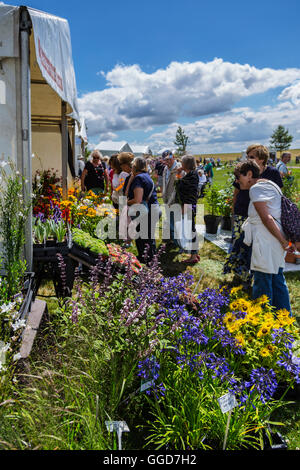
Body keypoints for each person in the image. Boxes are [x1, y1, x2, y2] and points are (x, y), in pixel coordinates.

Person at [234, 160, 295, 313]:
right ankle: (284, 320)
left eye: (238, 176)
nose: (236, 181)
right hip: (274, 240)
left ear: (249, 174)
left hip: (266, 241)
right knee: (277, 280)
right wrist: (282, 241)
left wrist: (283, 242)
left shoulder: (256, 189)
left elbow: (266, 217)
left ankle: (262, 321)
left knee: (262, 281)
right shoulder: (269, 184)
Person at [223, 144, 283, 288]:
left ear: (262, 159)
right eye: (247, 156)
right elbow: (236, 192)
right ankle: (241, 275)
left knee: (256, 248)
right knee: (240, 244)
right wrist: (234, 209)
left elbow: (278, 195)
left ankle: (256, 277)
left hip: (261, 216)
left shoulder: (272, 173)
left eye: (251, 157)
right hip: (243, 212)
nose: (248, 159)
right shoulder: (243, 172)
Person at [126, 157, 160, 263]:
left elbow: (137, 200)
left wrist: (127, 203)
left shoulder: (139, 179)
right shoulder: (146, 176)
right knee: (147, 238)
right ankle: (147, 260)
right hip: (153, 209)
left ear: (135, 167)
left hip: (146, 212)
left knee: (144, 239)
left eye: (132, 167)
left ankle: (148, 262)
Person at [175, 155, 200, 264]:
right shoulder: (191, 174)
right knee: (191, 229)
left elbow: (179, 184)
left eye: (182, 163)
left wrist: (178, 175)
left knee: (190, 230)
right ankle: (195, 253)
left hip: (188, 205)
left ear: (185, 164)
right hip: (189, 205)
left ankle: (193, 256)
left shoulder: (191, 176)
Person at [161, 150, 180, 245]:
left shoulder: (179, 168)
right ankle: (170, 239)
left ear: (174, 157)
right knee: (169, 219)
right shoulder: (165, 168)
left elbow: (177, 188)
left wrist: (170, 201)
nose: (167, 162)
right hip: (167, 198)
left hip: (176, 200)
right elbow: (164, 183)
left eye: (169, 159)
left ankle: (177, 242)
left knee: (176, 221)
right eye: (165, 160)